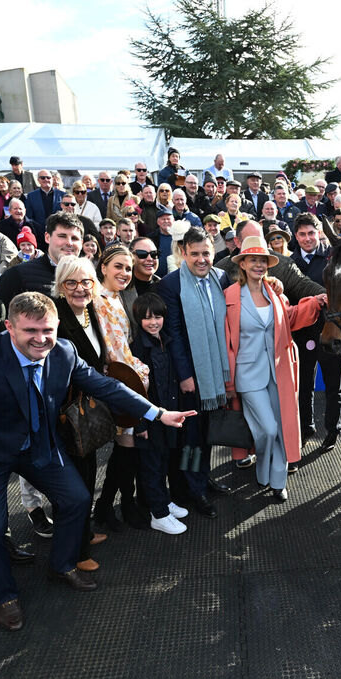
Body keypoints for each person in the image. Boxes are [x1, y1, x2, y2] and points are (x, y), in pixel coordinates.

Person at [0, 292, 196, 628]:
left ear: (57, 326)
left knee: (76, 500)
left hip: (39, 447)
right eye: (30, 331)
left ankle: (61, 565)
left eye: (47, 330)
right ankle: (6, 593)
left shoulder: (63, 351)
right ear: (9, 327)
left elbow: (104, 386)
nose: (40, 339)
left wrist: (157, 413)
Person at [222, 236, 325, 502]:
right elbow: (224, 340)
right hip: (246, 374)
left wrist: (314, 302)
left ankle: (277, 480)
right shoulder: (229, 297)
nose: (258, 265)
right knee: (267, 428)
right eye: (253, 260)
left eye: (262, 261)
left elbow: (288, 320)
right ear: (242, 263)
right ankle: (263, 467)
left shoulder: (275, 294)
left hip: (278, 371)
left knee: (279, 427)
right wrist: (227, 380)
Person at [156, 226, 232, 518]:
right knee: (191, 438)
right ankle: (193, 488)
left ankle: (204, 477)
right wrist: (186, 375)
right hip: (190, 377)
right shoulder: (171, 285)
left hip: (215, 373)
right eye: (195, 254)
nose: (201, 259)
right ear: (183, 253)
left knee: (206, 433)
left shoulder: (221, 278)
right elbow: (172, 333)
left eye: (206, 253)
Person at [51, 256, 117, 568]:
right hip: (65, 413)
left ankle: (85, 533)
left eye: (86, 282)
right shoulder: (56, 315)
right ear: (60, 286)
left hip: (86, 409)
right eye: (72, 283)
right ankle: (76, 554)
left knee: (89, 472)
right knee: (76, 485)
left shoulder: (91, 310)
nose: (80, 289)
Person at [91, 245, 152, 531]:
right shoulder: (99, 300)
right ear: (102, 267)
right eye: (118, 266)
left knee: (127, 447)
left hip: (125, 379)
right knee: (126, 447)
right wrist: (143, 374)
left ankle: (109, 506)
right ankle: (117, 506)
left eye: (128, 268)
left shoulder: (117, 298)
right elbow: (116, 352)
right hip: (118, 381)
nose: (125, 273)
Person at [130, 293, 190, 534]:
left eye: (157, 316)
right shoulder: (138, 348)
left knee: (164, 461)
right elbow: (134, 390)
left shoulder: (167, 339)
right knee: (152, 467)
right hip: (150, 417)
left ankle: (162, 502)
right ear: (138, 320)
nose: (153, 322)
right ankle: (159, 514)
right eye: (146, 319)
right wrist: (140, 424)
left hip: (167, 413)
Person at [287, 214, 341, 450]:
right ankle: (306, 426)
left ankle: (333, 428)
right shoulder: (289, 263)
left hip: (331, 332)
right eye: (302, 234)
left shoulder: (334, 257)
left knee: (333, 385)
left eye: (311, 232)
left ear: (319, 232)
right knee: (303, 384)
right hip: (302, 333)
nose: (307, 238)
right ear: (296, 237)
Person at [0, 211, 84, 306]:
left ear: (82, 243)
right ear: (47, 237)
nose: (69, 243)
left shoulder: (89, 278)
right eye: (62, 236)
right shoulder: (17, 275)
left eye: (75, 238)